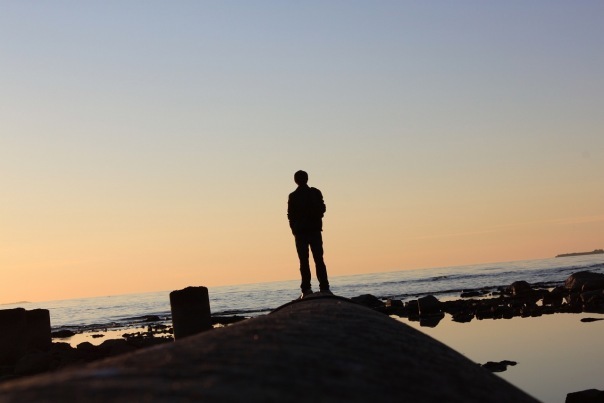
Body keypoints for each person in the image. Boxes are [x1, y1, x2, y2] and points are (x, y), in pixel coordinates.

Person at [287, 170, 331, 298]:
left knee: (309, 260)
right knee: (315, 260)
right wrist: (294, 228)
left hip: (308, 231)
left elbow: (322, 209)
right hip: (306, 231)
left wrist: (295, 228)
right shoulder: (298, 195)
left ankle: (311, 289)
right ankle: (319, 288)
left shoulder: (310, 193)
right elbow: (291, 215)